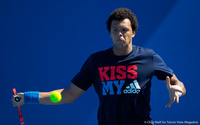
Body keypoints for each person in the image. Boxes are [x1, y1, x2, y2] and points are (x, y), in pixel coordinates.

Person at [12, 8, 186, 125]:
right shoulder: (96, 61)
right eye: (115, 30)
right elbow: (69, 94)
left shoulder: (149, 57)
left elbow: (177, 82)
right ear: (110, 34)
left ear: (133, 32)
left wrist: (176, 89)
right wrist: (28, 97)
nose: (120, 33)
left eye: (124, 30)